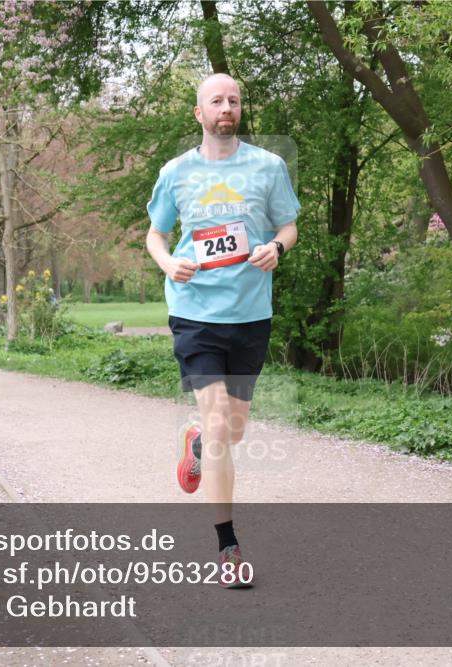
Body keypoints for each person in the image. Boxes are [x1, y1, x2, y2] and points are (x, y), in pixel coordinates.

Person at [145, 73, 299, 588]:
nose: (226, 107)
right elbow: (156, 233)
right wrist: (167, 264)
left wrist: (277, 248)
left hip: (250, 314)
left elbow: (288, 226)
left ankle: (194, 445)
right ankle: (227, 546)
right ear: (199, 113)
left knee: (231, 432)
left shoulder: (268, 167)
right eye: (216, 100)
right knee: (217, 427)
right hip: (194, 313)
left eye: (233, 100)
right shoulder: (177, 172)